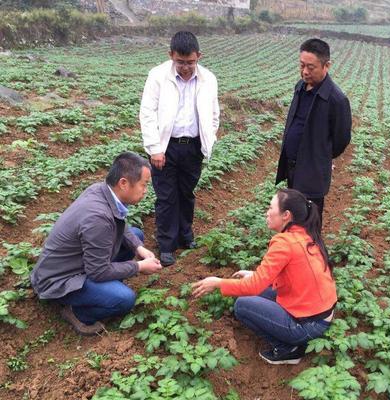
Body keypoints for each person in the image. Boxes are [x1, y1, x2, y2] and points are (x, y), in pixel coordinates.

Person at [191, 189, 337, 365]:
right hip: (320, 314)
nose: (267, 212)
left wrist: (218, 283)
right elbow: (292, 275)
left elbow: (253, 287)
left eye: (270, 207)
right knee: (258, 290)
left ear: (286, 215)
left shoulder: (283, 242)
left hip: (308, 326)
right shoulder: (304, 234)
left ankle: (287, 350)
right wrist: (255, 275)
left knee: (243, 305)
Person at [30, 152, 163, 336]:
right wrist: (138, 266)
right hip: (60, 280)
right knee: (124, 299)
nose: (145, 190)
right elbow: (98, 271)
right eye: (143, 185)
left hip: (80, 263)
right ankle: (78, 312)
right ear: (123, 183)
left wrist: (139, 248)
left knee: (136, 236)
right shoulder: (97, 218)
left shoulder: (101, 190)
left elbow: (120, 224)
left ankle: (103, 289)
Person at [139, 31, 220, 266]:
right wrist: (155, 148)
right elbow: (147, 113)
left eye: (190, 62)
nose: (185, 67)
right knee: (166, 196)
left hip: (193, 147)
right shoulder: (157, 76)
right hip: (166, 146)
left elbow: (214, 114)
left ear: (199, 57)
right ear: (171, 55)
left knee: (186, 193)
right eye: (180, 62)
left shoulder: (209, 79)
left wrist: (209, 139)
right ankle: (166, 244)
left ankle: (185, 235)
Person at [275, 38, 352, 225]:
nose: (305, 71)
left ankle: (312, 252)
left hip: (312, 173)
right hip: (292, 168)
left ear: (327, 65)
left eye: (311, 67)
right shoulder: (300, 87)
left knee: (310, 222)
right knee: (293, 217)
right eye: (301, 65)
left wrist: (320, 155)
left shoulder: (336, 99)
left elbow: (341, 140)